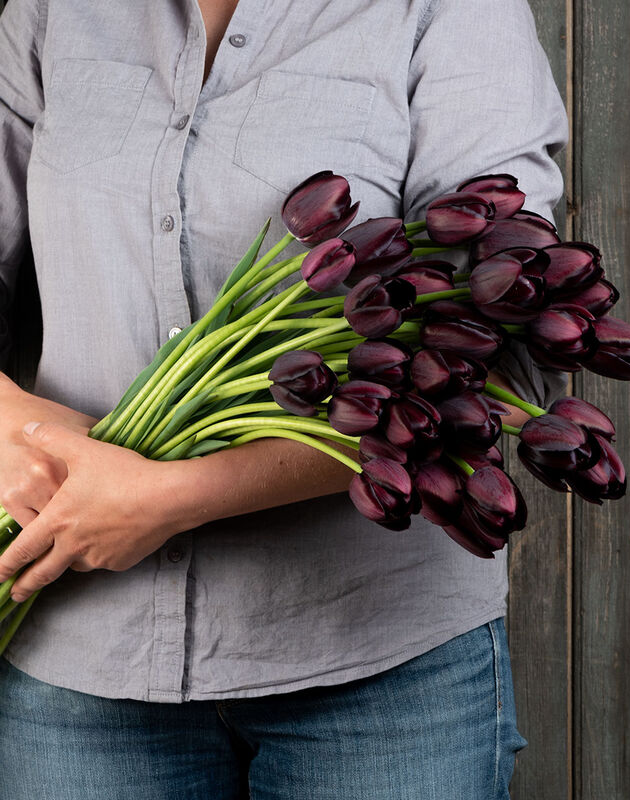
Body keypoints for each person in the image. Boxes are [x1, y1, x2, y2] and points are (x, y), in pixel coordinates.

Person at [0, 0, 569, 796]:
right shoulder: (53, 10)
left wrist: (171, 497)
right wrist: (17, 425)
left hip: (376, 669)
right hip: (80, 656)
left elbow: (506, 341)